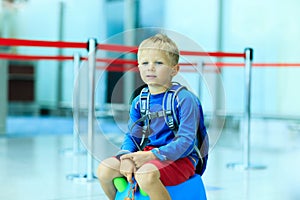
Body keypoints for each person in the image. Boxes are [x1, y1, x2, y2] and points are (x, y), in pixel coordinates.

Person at [97, 33, 206, 200]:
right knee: (104, 170)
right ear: (139, 67)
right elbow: (133, 136)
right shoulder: (139, 101)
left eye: (159, 63)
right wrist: (125, 157)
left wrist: (152, 156)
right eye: (145, 63)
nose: (150, 67)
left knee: (145, 175)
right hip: (147, 154)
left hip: (181, 158)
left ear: (174, 69)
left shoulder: (185, 99)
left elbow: (186, 141)